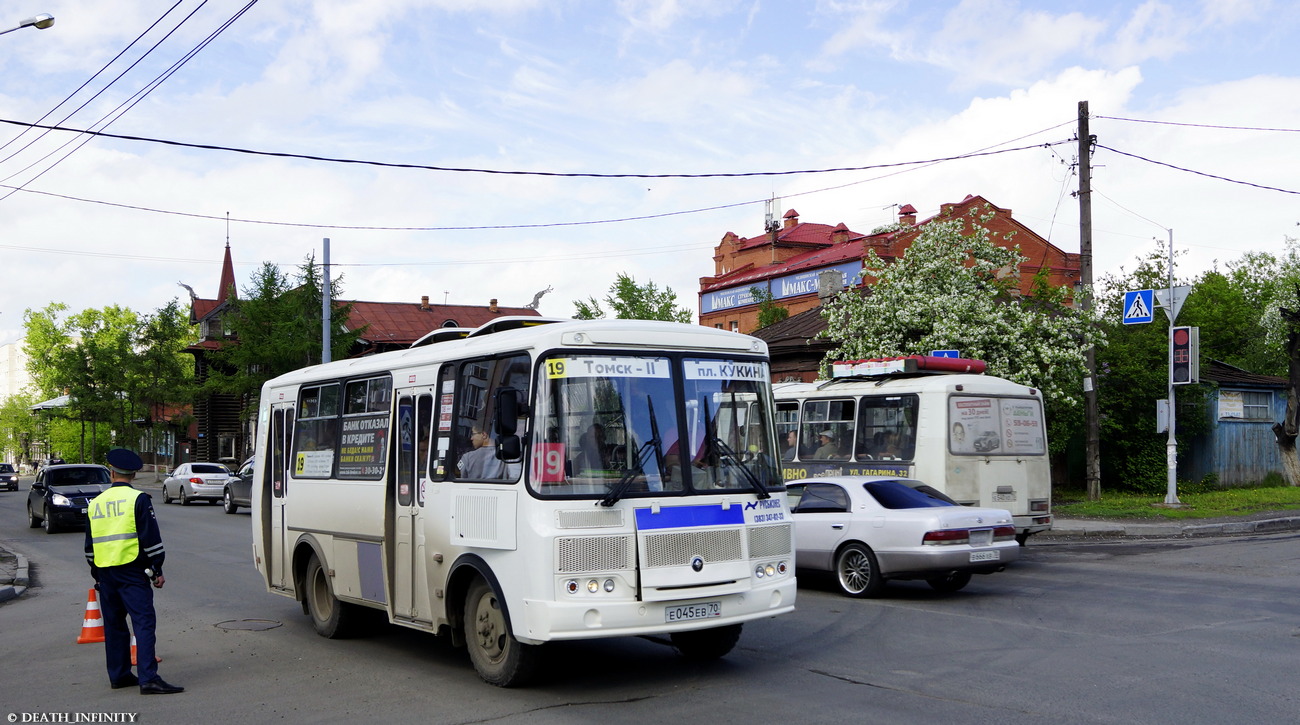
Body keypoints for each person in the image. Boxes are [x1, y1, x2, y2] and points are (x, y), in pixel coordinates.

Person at [84, 448, 184, 695]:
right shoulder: (138, 499)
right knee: (143, 623)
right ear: (134, 475)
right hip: (132, 571)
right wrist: (156, 568)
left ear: (112, 472)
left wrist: (96, 573)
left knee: (114, 625)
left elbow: (89, 547)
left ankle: (119, 675)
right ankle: (148, 678)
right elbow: (151, 540)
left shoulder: (95, 503)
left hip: (105, 573)